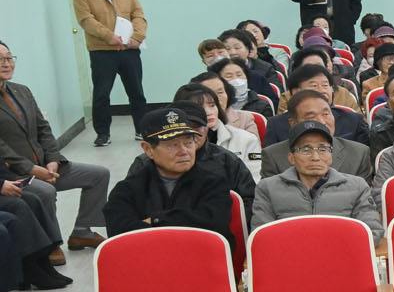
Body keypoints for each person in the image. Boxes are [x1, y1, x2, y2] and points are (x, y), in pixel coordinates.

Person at [0, 43, 109, 257]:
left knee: (99, 175)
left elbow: (43, 128)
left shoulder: (21, 90)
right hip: (15, 173)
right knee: (45, 191)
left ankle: (82, 232)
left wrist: (52, 159)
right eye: (0, 59)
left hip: (46, 165)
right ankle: (50, 244)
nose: (6, 63)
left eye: (9, 57)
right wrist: (31, 169)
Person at [104, 102, 253, 250]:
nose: (184, 151)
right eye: (172, 145)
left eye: (188, 143)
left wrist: (155, 221)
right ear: (148, 149)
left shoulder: (213, 182)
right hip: (147, 259)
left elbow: (212, 223)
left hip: (202, 259)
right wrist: (184, 221)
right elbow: (120, 234)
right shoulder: (128, 189)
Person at [71, 0, 150, 147]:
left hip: (129, 49)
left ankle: (142, 129)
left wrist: (138, 37)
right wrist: (109, 36)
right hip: (102, 51)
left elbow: (138, 14)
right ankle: (103, 134)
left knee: (137, 92)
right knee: (101, 94)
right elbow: (85, 19)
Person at [252, 119, 382, 236]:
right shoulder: (268, 188)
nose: (315, 157)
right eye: (305, 149)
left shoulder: (357, 186)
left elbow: (372, 232)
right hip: (290, 254)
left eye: (322, 149)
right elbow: (261, 236)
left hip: (341, 253)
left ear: (331, 155)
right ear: (291, 158)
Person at [261, 90, 375, 183]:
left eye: (326, 114)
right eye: (311, 117)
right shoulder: (273, 155)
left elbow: (363, 199)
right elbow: (270, 196)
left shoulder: (358, 153)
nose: (322, 122)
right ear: (293, 123)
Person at [178, 82, 262, 180]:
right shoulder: (175, 142)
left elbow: (254, 181)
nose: (208, 112)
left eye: (212, 105)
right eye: (200, 107)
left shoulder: (246, 139)